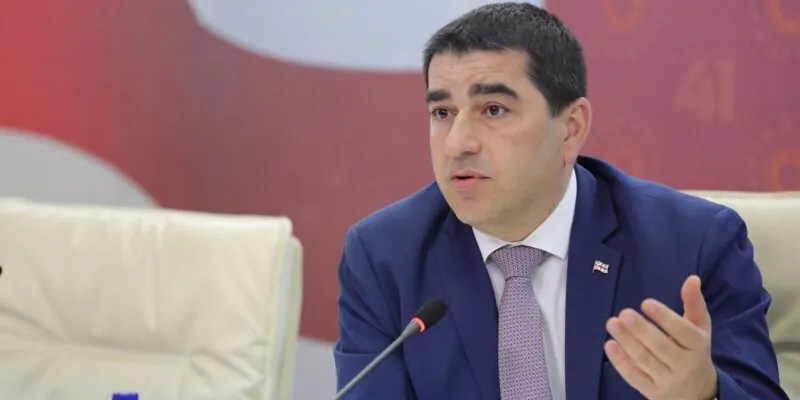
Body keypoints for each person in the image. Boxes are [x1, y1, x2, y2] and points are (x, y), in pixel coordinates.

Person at [333, 2, 787, 399]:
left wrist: (703, 394)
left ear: (570, 128)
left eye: (494, 109)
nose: (457, 143)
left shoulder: (693, 245)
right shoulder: (384, 257)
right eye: (442, 112)